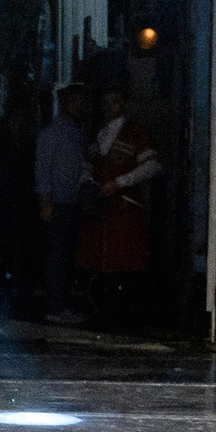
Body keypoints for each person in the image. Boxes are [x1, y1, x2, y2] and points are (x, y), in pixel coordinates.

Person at [80, 86, 158, 285]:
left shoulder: (136, 131)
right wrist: (88, 182)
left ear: (123, 103)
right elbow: (88, 166)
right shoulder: (99, 133)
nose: (109, 106)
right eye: (106, 102)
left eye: (114, 101)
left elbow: (152, 166)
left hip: (125, 206)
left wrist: (119, 182)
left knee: (126, 260)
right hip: (100, 208)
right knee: (100, 261)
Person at [33, 83, 92, 323]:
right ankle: (56, 307)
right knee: (58, 255)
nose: (79, 105)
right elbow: (43, 169)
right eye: (74, 100)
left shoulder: (78, 132)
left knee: (66, 255)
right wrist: (46, 200)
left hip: (71, 201)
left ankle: (62, 304)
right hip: (58, 201)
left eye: (81, 100)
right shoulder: (52, 133)